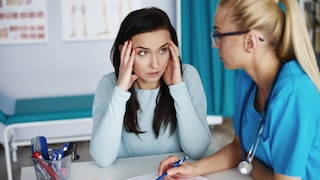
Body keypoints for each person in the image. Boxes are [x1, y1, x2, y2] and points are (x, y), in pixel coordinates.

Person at [158, 0, 320, 179]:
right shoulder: (246, 79)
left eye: (218, 34)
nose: (214, 44)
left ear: (250, 41)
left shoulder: (293, 94)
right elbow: (238, 148)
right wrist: (193, 169)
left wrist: (251, 164)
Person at [89, 7, 211, 167]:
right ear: (123, 51)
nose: (155, 64)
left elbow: (197, 150)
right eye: (143, 53)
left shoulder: (187, 76)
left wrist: (177, 87)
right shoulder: (109, 84)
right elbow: (102, 159)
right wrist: (120, 91)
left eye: (162, 50)